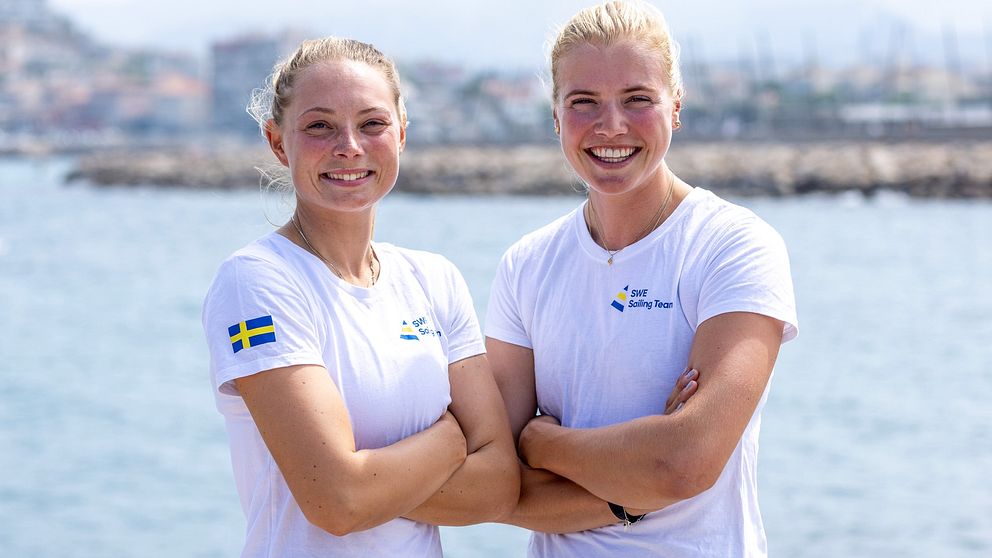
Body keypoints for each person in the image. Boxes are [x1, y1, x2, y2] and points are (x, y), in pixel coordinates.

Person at [485, 1, 799, 556]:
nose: (611, 126)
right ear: (555, 115)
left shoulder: (734, 245)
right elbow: (497, 484)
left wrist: (542, 440)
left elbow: (684, 463)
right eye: (584, 103)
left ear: (676, 107)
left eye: (638, 99)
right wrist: (635, 488)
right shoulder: (526, 265)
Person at [201, 37, 519, 557]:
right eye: (320, 126)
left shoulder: (434, 279)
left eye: (372, 123)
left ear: (402, 134)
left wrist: (369, 482)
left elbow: (499, 485)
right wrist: (451, 439)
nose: (348, 145)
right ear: (278, 142)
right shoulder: (256, 281)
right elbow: (338, 503)